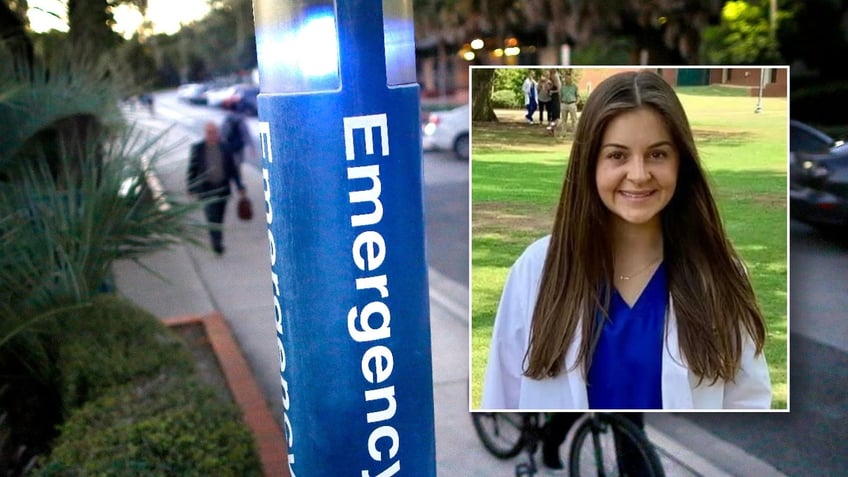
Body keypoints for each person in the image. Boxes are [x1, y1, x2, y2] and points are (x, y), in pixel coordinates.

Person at [481, 70, 771, 410]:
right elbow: (502, 395)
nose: (638, 174)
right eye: (617, 155)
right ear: (589, 164)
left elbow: (748, 400)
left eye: (657, 154)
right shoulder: (537, 269)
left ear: (681, 162)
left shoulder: (720, 274)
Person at [187, 121, 246, 255]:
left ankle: (217, 238)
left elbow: (233, 170)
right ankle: (216, 242)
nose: (212, 135)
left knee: (219, 217)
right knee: (211, 216)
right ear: (205, 133)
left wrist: (239, 186)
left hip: (222, 189)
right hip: (206, 190)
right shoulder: (198, 148)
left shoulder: (225, 148)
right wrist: (191, 186)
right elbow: (192, 169)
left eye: (214, 132)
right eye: (209, 132)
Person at [545, 69, 561, 133]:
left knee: (555, 115)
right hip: (552, 98)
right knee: (553, 115)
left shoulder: (555, 77)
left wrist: (552, 91)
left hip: (556, 98)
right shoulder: (552, 79)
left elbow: (559, 89)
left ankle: (553, 130)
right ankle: (552, 130)